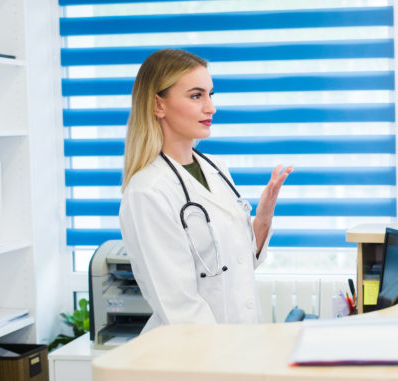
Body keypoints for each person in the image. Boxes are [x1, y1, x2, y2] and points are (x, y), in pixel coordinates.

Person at [119, 49, 293, 333]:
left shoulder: (216, 169)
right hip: (196, 355)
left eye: (211, 94)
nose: (211, 107)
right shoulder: (147, 192)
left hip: (237, 345)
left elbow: (235, 266)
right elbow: (179, 305)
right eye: (196, 96)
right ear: (158, 105)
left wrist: (262, 219)